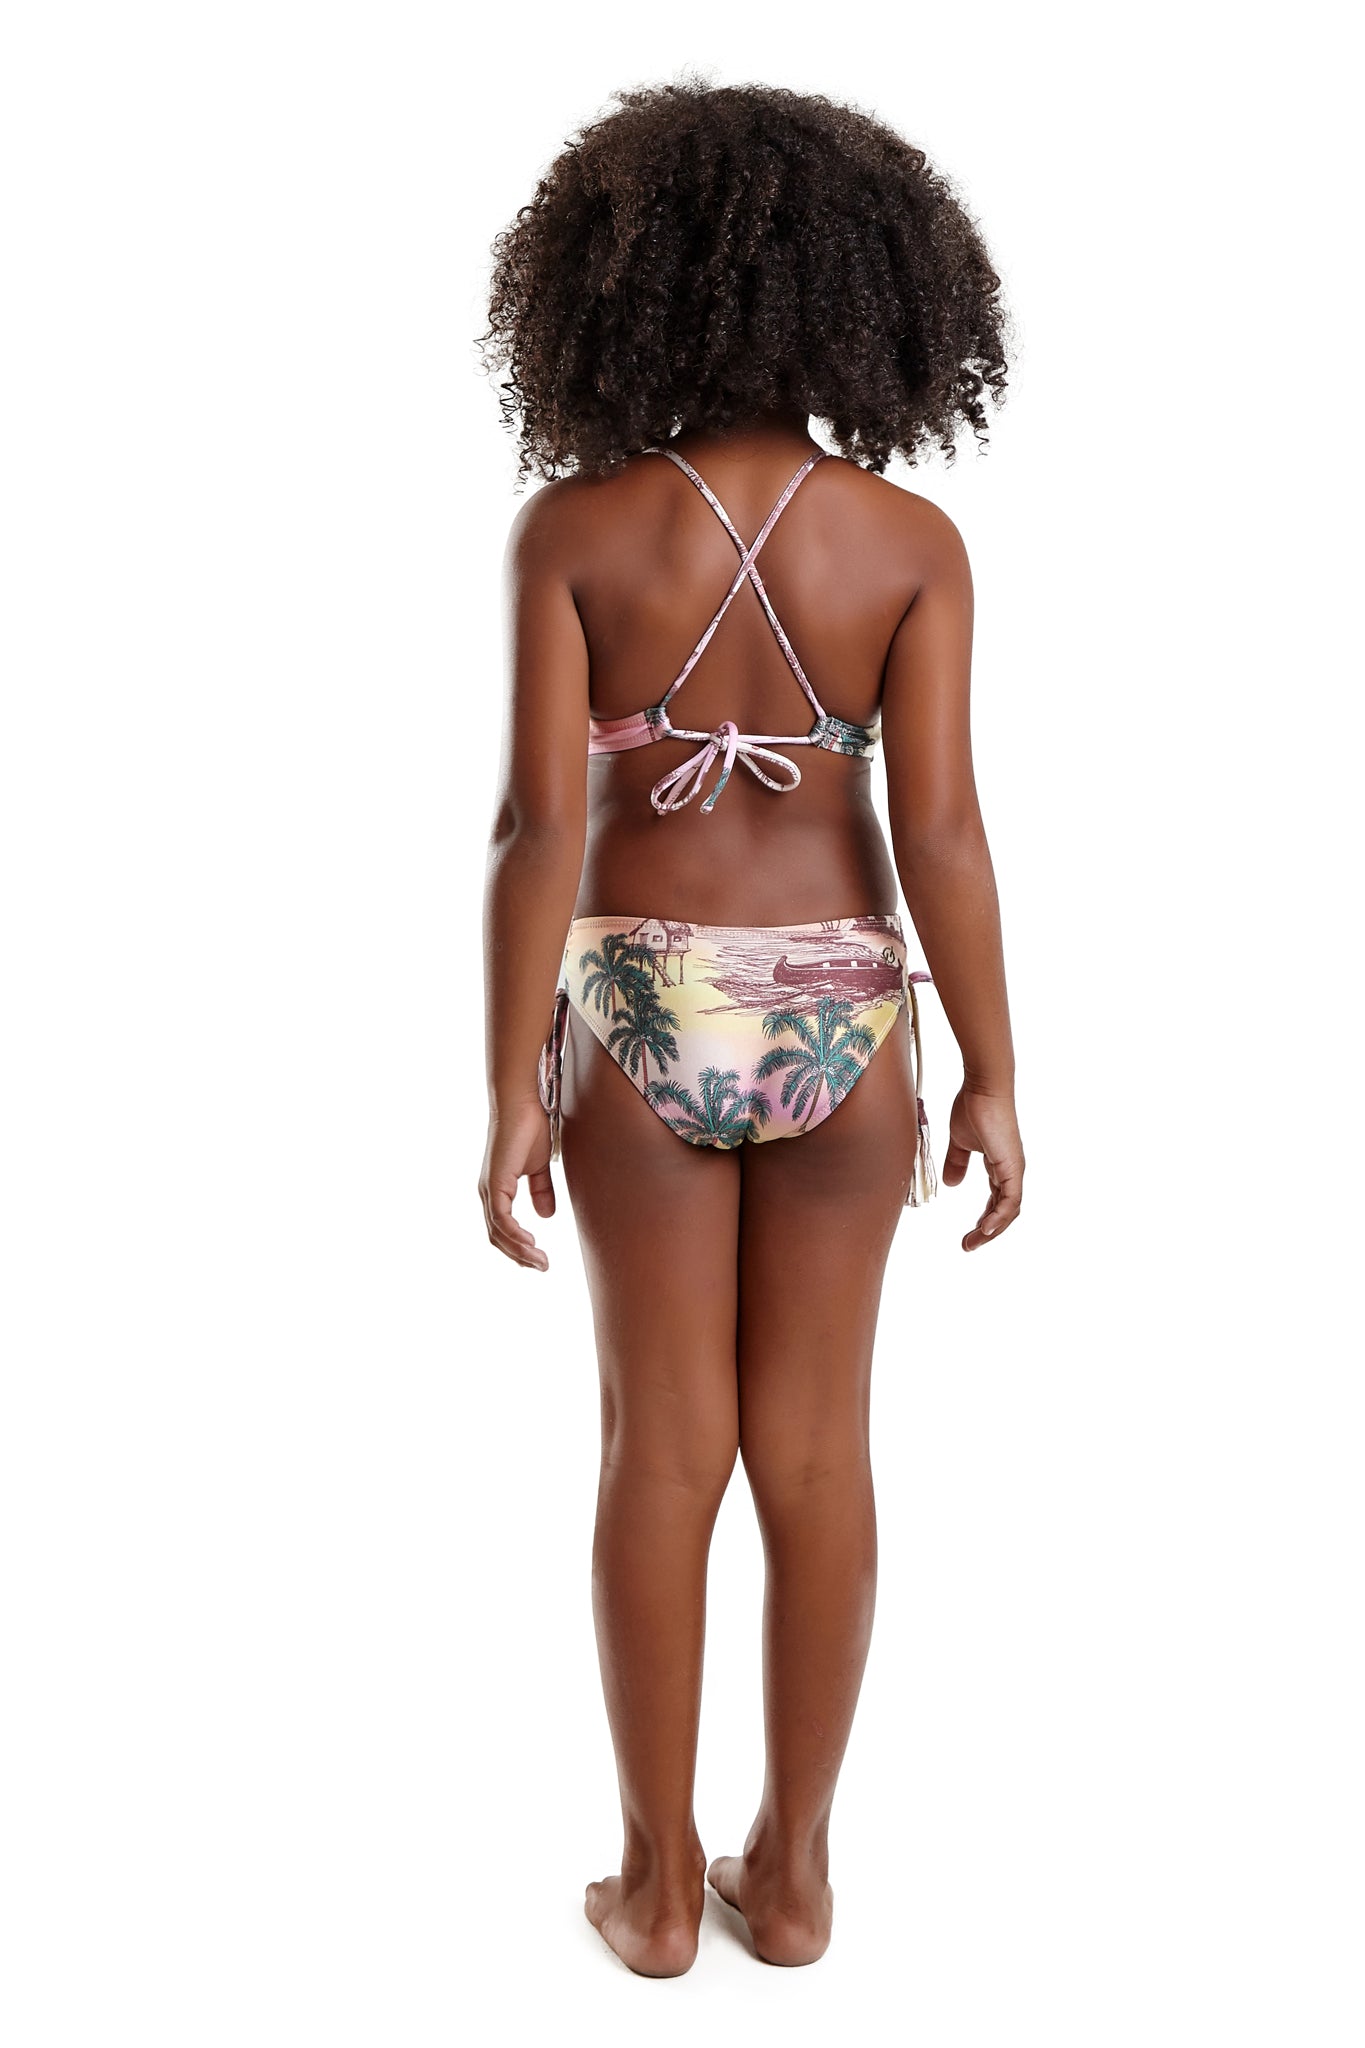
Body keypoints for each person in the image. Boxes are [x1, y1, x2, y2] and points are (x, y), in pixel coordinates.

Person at [477, 79, 1025, 1978]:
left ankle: (652, 1892)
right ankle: (789, 1878)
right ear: (870, 297)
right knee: (816, 1453)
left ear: (613, 291)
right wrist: (997, 1072)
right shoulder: (907, 543)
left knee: (659, 1451)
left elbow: (537, 829)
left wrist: (508, 1087)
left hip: (635, 1008)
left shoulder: (573, 532)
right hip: (844, 1020)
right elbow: (939, 831)